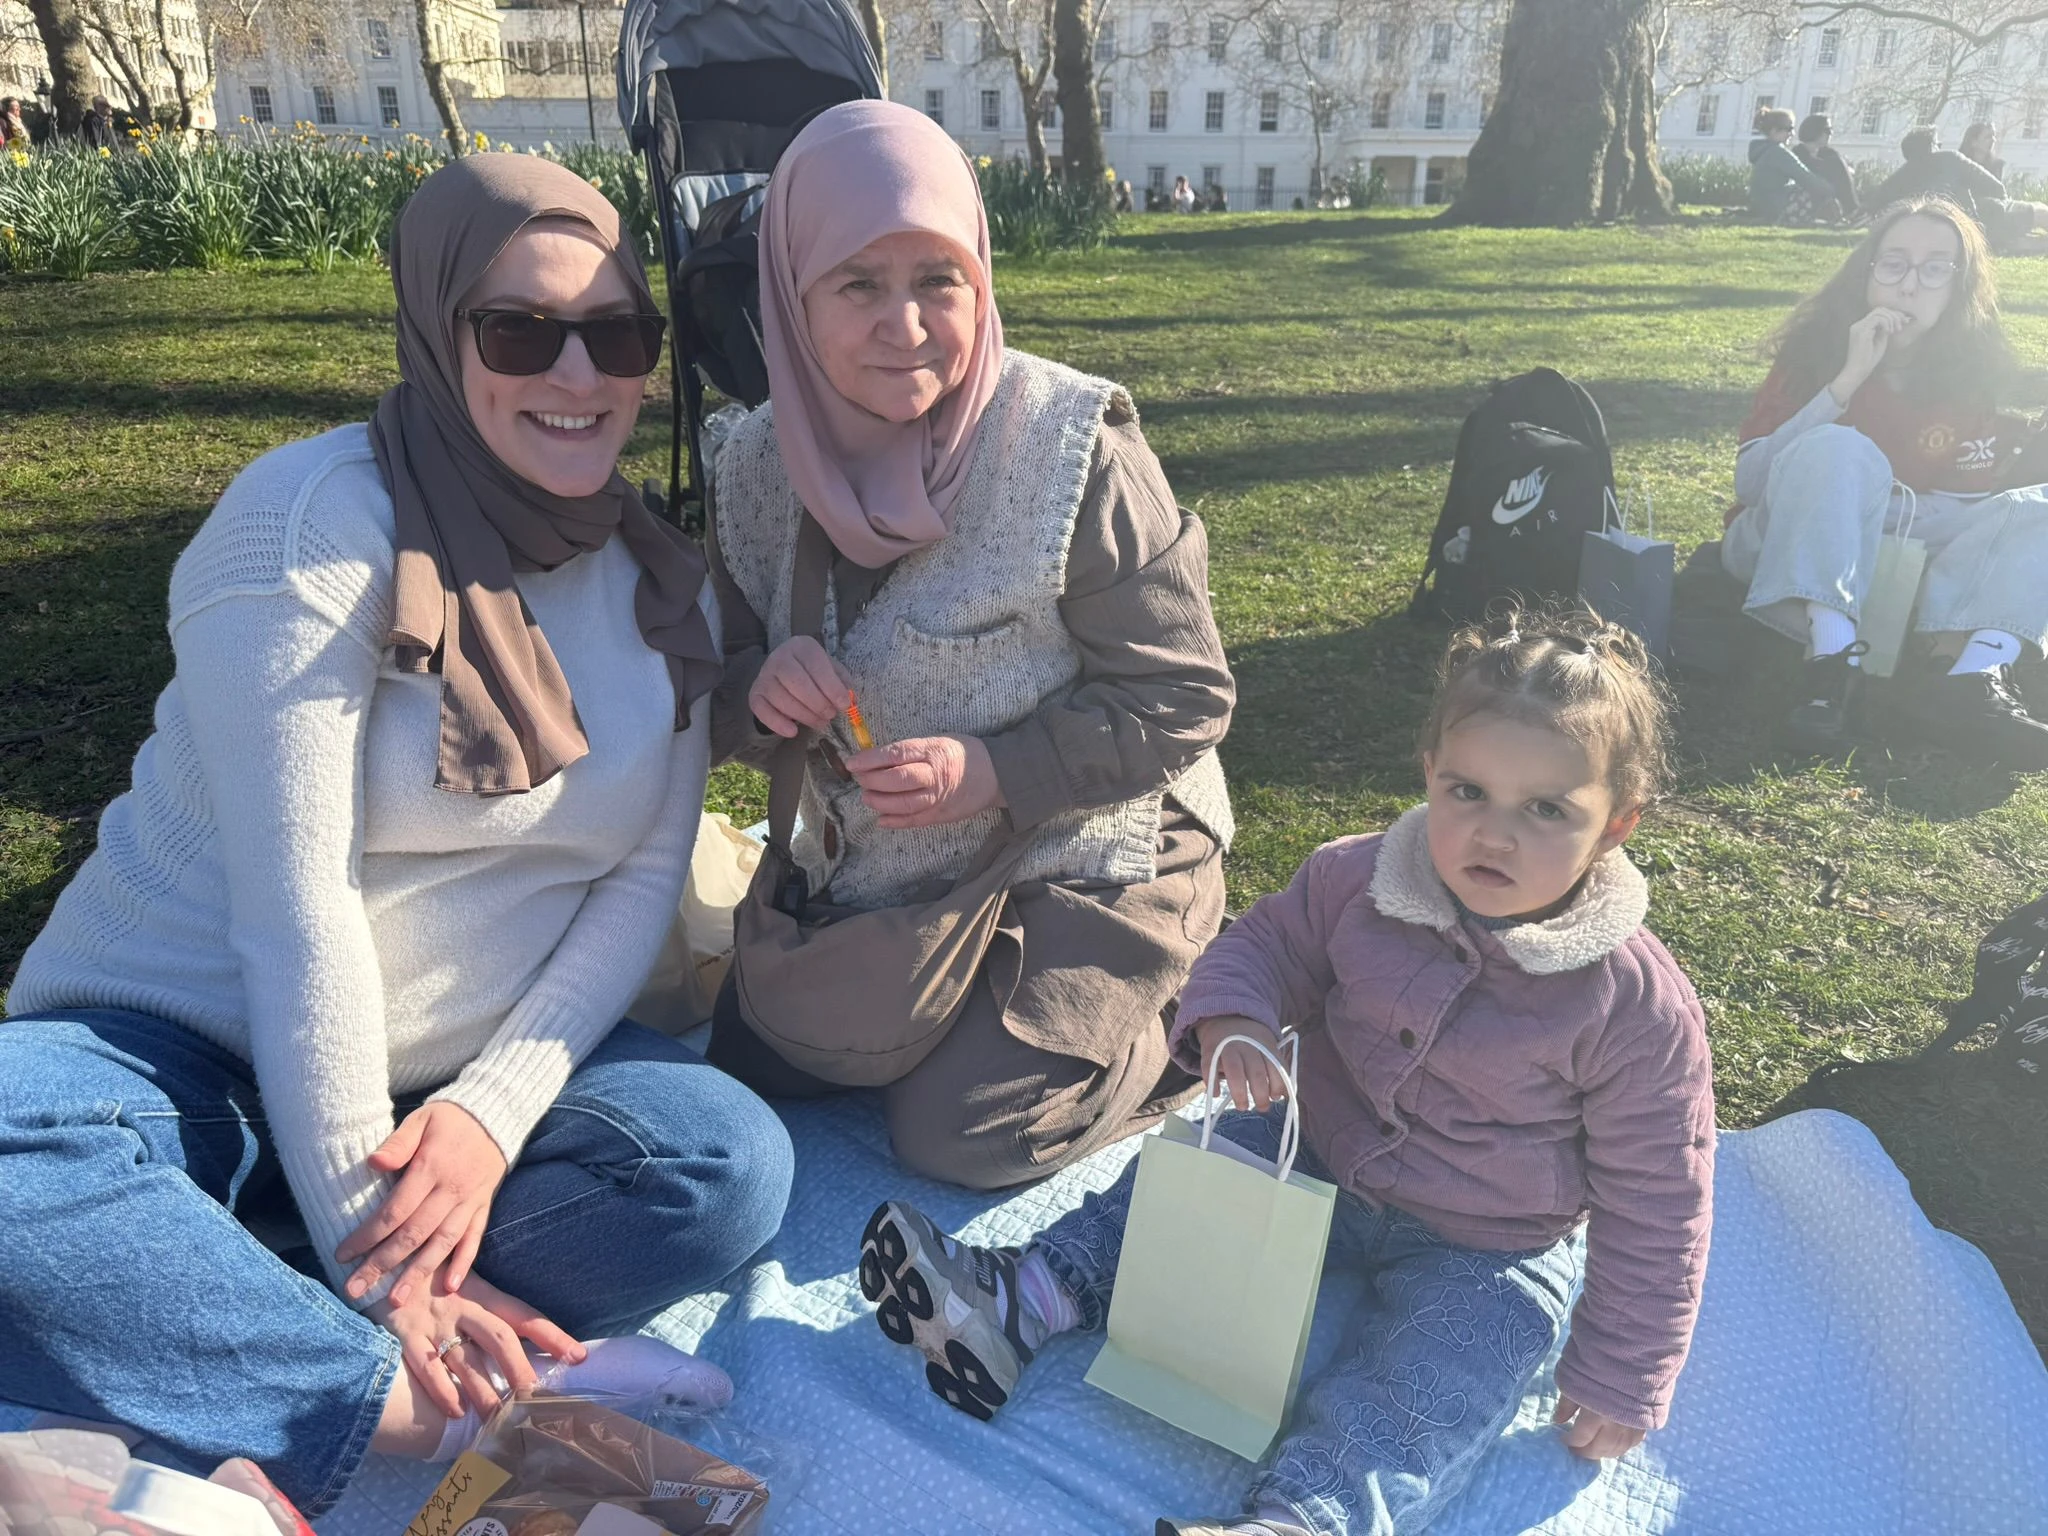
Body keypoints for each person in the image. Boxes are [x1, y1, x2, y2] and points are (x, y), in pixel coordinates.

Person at [0, 156, 795, 1514]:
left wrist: (485, 1124)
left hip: (446, 1089)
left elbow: (642, 875)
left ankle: (185, 1303)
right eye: (519, 330)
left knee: (723, 1161)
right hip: (182, 1057)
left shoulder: (663, 583)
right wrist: (376, 1253)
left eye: (617, 335)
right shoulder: (306, 531)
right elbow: (291, 914)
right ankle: (412, 1392)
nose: (578, 374)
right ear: (437, 330)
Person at [860, 607, 1714, 1536]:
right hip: (1318, 1148)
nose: (1494, 835)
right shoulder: (1357, 881)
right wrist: (1233, 1019)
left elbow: (1660, 1196)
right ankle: (1017, 1300)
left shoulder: (1634, 1003)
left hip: (1492, 1240)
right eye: (1468, 791)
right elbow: (1265, 947)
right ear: (1428, 772)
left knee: (1441, 1374)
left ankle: (1304, 1519)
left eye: (1547, 810)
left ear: (1616, 825)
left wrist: (1626, 1368)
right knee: (1190, 1176)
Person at [704, 101, 1236, 1189]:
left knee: (966, 1131)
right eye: (858, 284)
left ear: (981, 281)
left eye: (937, 280)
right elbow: (706, 682)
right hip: (885, 875)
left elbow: (1180, 697)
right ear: (790, 295)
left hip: (1087, 854)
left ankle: (1190, 1012)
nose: (905, 324)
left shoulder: (1071, 446)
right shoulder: (750, 467)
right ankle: (968, 1011)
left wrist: (993, 770)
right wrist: (758, 687)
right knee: (747, 1081)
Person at [1725, 197, 2048, 765]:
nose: (1909, 285)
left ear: (1958, 288)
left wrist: (1877, 509)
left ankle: (1970, 682)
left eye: (1934, 269)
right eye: (1893, 263)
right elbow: (1752, 484)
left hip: (1897, 561)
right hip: (1785, 546)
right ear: (1867, 272)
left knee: (2038, 507)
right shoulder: (1812, 358)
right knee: (1838, 448)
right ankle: (1830, 665)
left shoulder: (1971, 380)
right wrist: (1845, 383)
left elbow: (1961, 509)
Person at [1749, 106, 1837, 223]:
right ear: (1774, 131)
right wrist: (1832, 190)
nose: (1793, 133)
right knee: (1816, 189)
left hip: (1765, 206)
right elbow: (1805, 177)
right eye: (1789, 129)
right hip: (1779, 208)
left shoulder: (1763, 150)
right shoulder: (1777, 152)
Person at [1794, 113, 1858, 219]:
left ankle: (1850, 210)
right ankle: (1852, 209)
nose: (1830, 134)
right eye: (1827, 130)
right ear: (1815, 131)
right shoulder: (1799, 153)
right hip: (1808, 194)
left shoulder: (1829, 153)